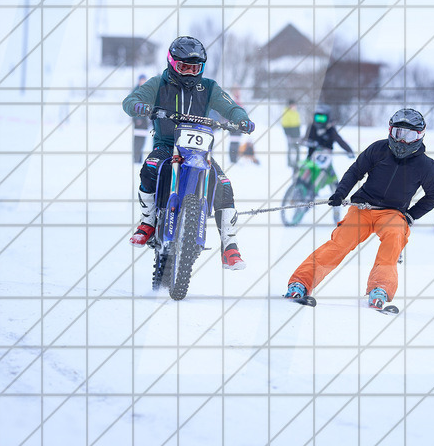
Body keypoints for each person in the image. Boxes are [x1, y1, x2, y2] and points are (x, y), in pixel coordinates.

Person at [284, 108, 434, 309]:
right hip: (362, 208)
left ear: (419, 135)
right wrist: (340, 193)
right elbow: (356, 171)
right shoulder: (379, 149)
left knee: (394, 238)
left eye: (409, 135)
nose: (402, 140)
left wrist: (410, 215)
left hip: (392, 213)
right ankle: (301, 282)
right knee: (340, 243)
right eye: (398, 133)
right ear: (390, 131)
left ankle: (380, 288)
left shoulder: (427, 167)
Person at [121, 36, 255, 270]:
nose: (190, 73)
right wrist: (139, 105)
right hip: (166, 145)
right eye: (184, 67)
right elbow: (131, 100)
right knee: (150, 169)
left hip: (200, 151)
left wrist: (241, 119)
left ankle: (230, 246)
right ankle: (148, 222)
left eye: (195, 68)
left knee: (223, 183)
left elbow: (230, 107)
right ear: (172, 64)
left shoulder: (209, 87)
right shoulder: (158, 84)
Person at [132, 73, 149, 164]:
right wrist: (137, 118)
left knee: (142, 140)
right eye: (141, 80)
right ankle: (136, 159)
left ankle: (139, 158)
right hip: (138, 120)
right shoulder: (136, 92)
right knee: (137, 140)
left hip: (145, 120)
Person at [281, 99, 302, 169]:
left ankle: (297, 162)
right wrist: (287, 134)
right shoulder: (286, 112)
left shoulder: (296, 113)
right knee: (290, 148)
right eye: (293, 105)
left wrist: (299, 134)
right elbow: (285, 124)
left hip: (296, 133)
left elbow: (298, 124)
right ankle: (290, 163)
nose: (294, 106)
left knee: (298, 148)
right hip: (290, 133)